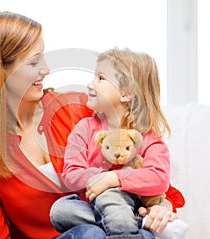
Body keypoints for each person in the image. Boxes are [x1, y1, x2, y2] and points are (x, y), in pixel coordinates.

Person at [0, 11, 184, 239]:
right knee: (89, 234)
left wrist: (161, 208)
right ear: (0, 70)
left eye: (43, 57)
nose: (46, 69)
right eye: (34, 62)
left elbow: (149, 176)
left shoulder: (78, 111)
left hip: (113, 229)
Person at [50, 48, 187, 239]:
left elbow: (159, 179)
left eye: (101, 78)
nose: (90, 84)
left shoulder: (147, 137)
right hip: (91, 206)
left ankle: (126, 226)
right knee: (60, 210)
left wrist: (115, 179)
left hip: (130, 205)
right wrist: (101, 177)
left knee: (125, 216)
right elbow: (71, 176)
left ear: (126, 94)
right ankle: (137, 224)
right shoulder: (85, 128)